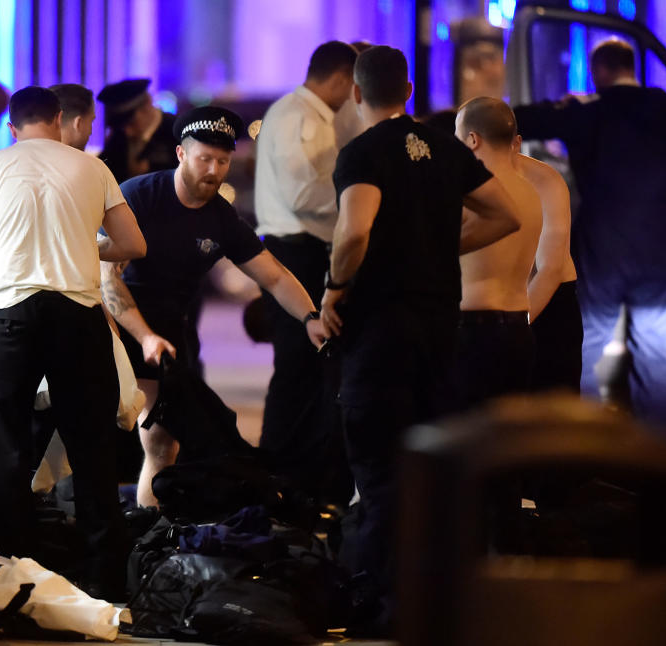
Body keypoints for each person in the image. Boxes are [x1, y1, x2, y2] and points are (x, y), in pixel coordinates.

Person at [319, 46, 520, 635]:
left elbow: (354, 231)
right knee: (429, 466)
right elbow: (503, 215)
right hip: (441, 332)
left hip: (382, 333)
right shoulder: (446, 147)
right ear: (408, 91)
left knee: (380, 472)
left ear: (357, 94)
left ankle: (382, 608)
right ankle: (437, 597)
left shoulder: (361, 152)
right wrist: (436, 248)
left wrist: (334, 289)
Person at [0, 86, 146, 599]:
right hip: (76, 317)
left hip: (10, 315)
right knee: (92, 444)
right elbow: (134, 244)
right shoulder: (91, 169)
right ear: (58, 119)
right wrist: (88, 243)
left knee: (3, 445)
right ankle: (104, 574)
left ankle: (10, 568)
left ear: (12, 127)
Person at [100, 106, 327, 508]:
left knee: (162, 444)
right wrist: (145, 335)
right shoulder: (138, 197)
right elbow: (107, 279)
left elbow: (273, 276)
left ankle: (152, 538)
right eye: (204, 158)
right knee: (90, 443)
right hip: (116, 327)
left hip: (170, 333)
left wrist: (310, 317)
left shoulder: (221, 218)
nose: (214, 170)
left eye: (222, 161)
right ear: (181, 154)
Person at [514, 38, 666, 429]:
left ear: (599, 71)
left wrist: (564, 105)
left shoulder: (589, 113)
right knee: (658, 366)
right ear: (631, 69)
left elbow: (519, 118)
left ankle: (584, 451)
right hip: (660, 253)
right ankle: (660, 467)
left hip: (600, 252)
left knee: (582, 355)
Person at [254, 40, 357, 504]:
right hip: (296, 251)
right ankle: (280, 471)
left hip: (306, 249)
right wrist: (358, 199)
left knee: (311, 368)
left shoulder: (311, 115)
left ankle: (300, 474)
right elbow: (302, 194)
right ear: (339, 78)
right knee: (297, 365)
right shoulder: (297, 116)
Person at [451, 97, 543, 409]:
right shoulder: (531, 194)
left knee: (464, 441)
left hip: (470, 330)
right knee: (506, 440)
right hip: (519, 328)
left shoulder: (469, 195)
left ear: (472, 140)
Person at [512, 138, 582, 392]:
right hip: (506, 316)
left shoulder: (543, 180)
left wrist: (513, 327)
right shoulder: (464, 178)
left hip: (547, 312)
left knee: (553, 417)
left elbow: (550, 270)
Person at [97, 78, 179, 183]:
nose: (127, 131)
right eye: (121, 126)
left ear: (147, 105)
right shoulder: (118, 135)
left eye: (131, 123)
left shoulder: (176, 131)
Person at [50, 83, 97, 150]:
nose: (91, 132)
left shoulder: (31, 156)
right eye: (91, 121)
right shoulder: (88, 160)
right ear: (78, 123)